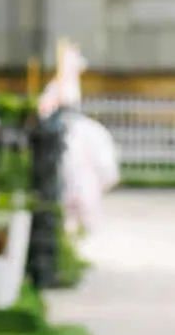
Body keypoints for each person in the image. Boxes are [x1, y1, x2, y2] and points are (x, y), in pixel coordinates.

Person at [37, 40, 118, 231]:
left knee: (82, 192)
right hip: (67, 144)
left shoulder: (86, 129)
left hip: (77, 151)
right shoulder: (57, 87)